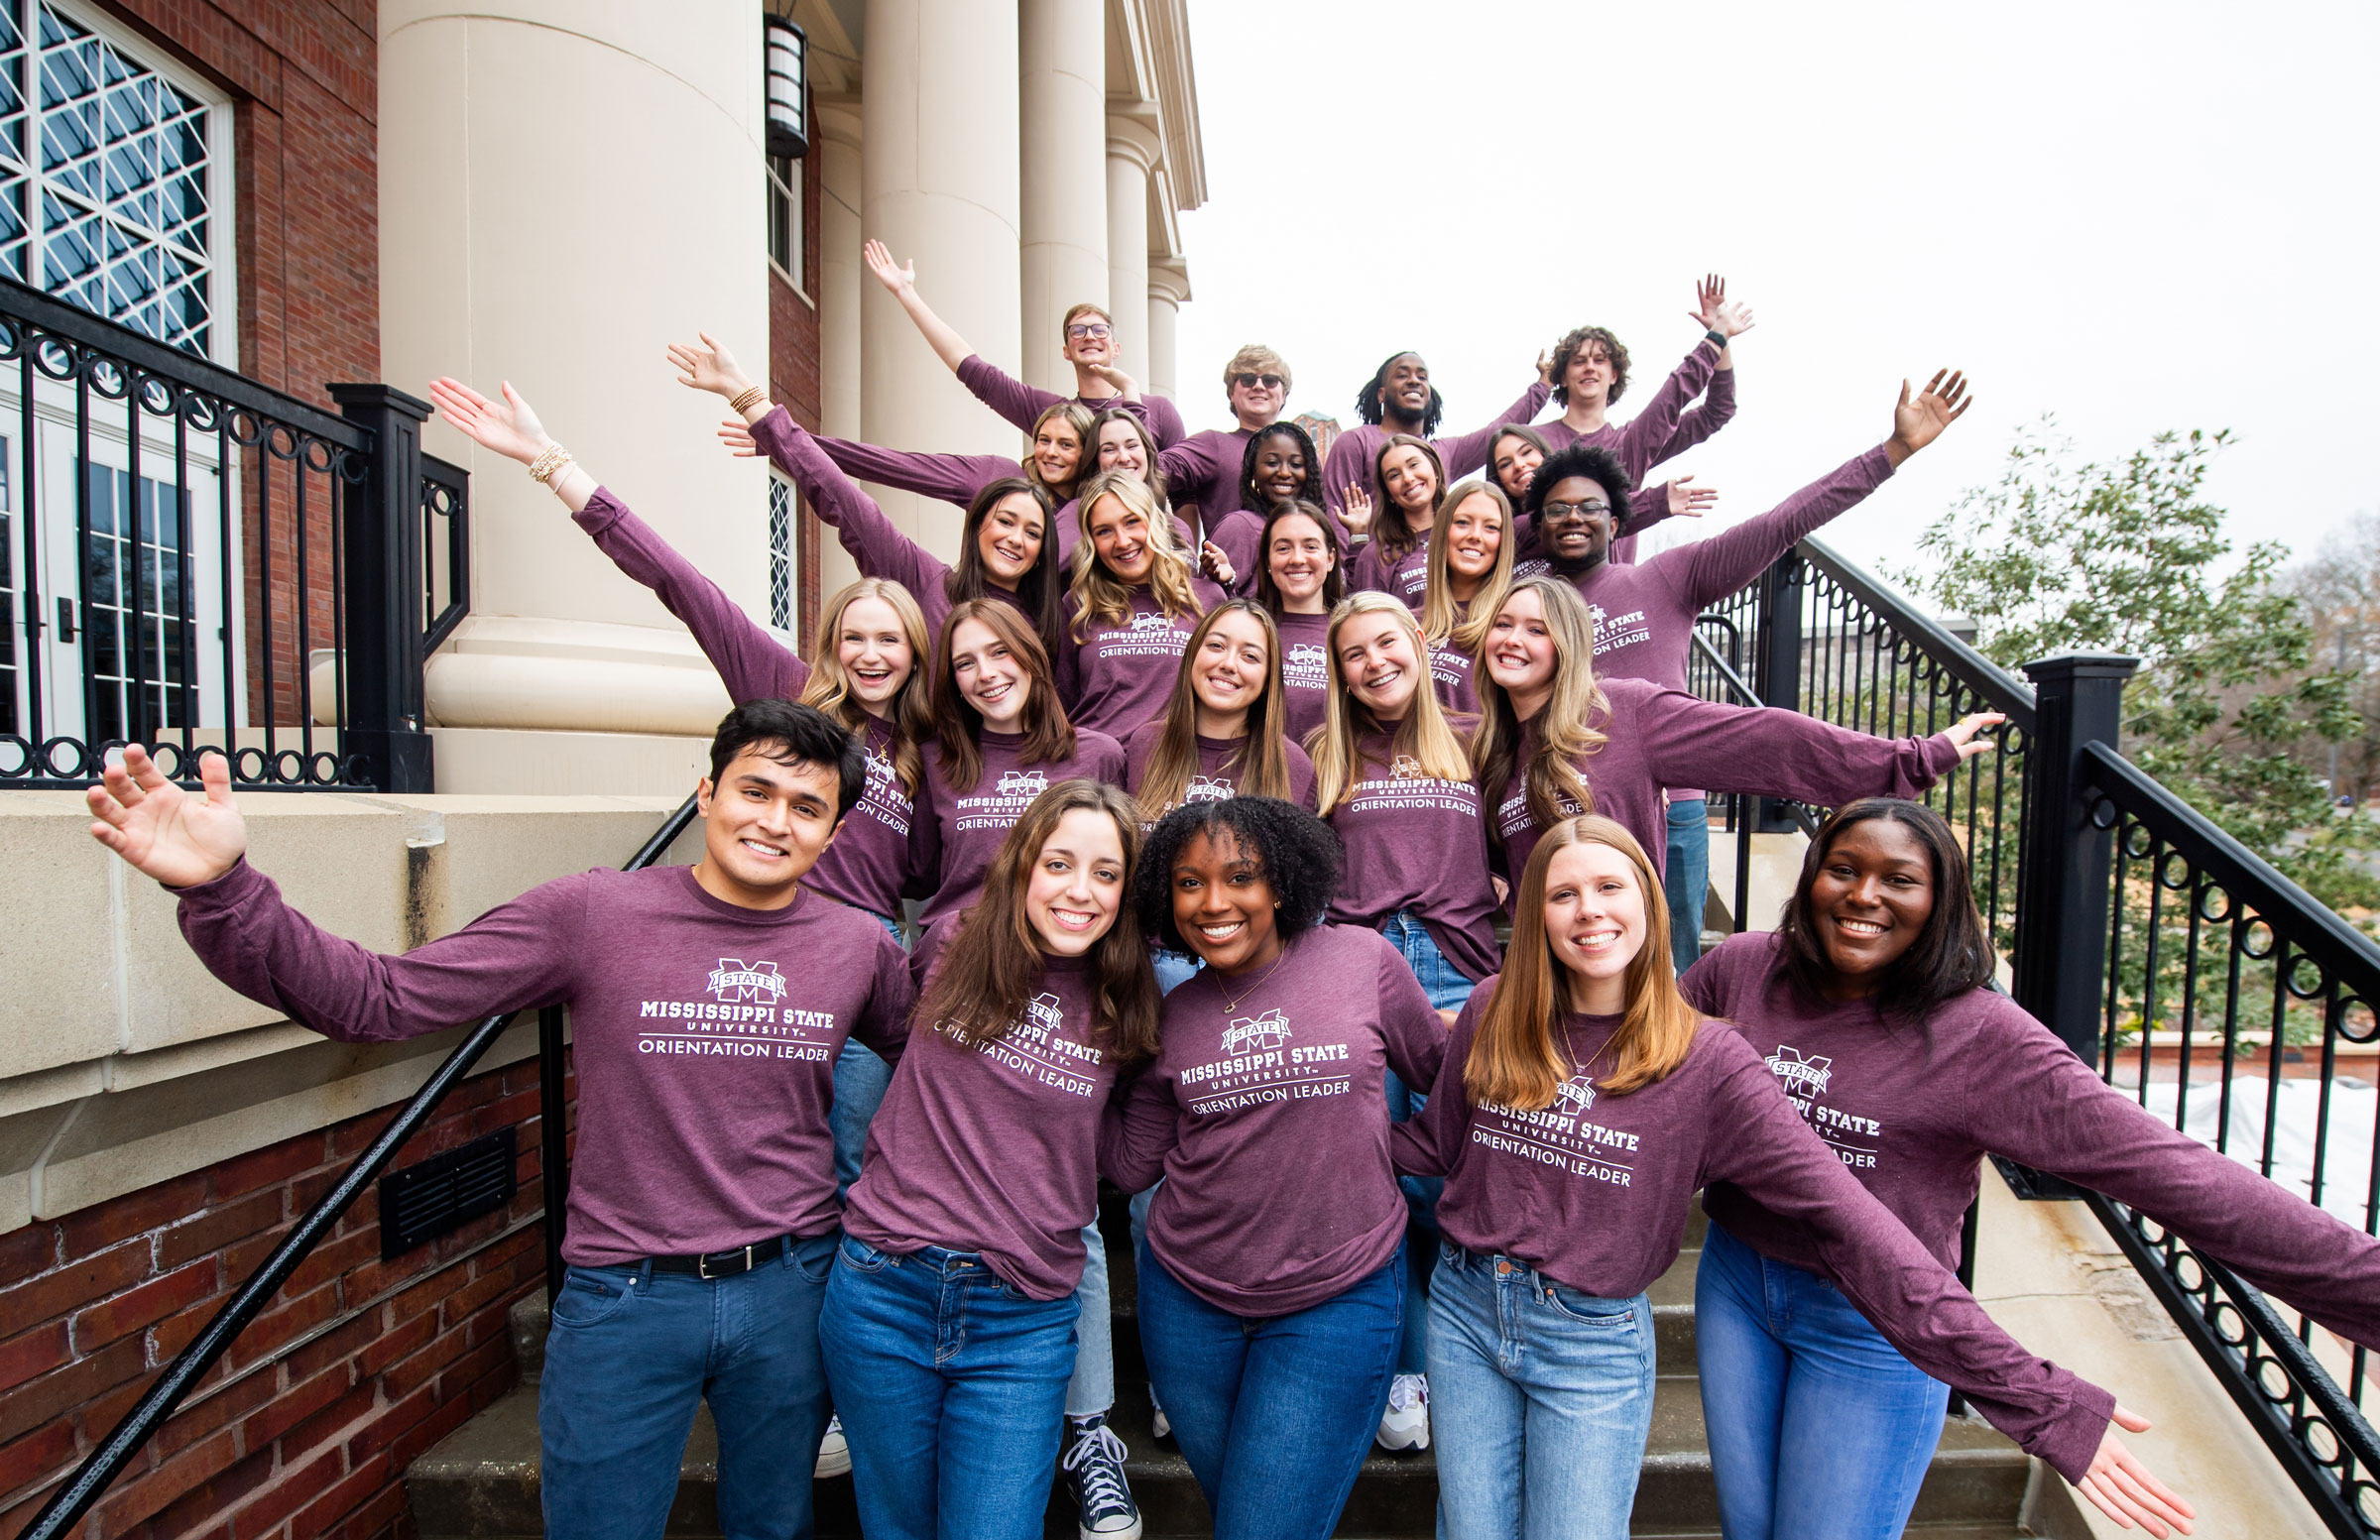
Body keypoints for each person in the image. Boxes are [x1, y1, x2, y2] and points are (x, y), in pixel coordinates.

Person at [85, 704, 914, 1540]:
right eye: (755, 791)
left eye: (806, 806)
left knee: (775, 1524)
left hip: (791, 1289)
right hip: (626, 1295)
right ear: (706, 793)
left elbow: (942, 1071)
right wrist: (224, 889)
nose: (774, 821)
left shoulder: (858, 946)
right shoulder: (596, 913)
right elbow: (381, 997)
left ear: (835, 832)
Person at [1392, 814, 2195, 1540]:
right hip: (1468, 1310)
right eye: (1562, 893)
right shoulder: (1496, 1010)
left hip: (1596, 1334)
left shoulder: (1708, 1058)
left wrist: (2042, 1401)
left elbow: (1854, 1218)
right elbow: (1434, 1144)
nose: (1588, 910)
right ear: (1533, 913)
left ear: (1650, 900)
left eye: (1610, 886)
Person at [1685, 797, 2380, 1540]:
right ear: (1812, 876)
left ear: (1942, 901)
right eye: (1843, 869)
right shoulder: (1743, 968)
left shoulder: (1982, 1037)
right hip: (1737, 1284)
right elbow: (1642, 1078)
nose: (1864, 895)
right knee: (1747, 1529)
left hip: (1880, 1322)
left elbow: (2177, 1173)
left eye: (1900, 879)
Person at [1519, 366, 1970, 970]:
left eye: (1589, 507)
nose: (1573, 517)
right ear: (1538, 525)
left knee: (1672, 972)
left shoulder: (1666, 577)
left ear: (1617, 521)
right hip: (1556, 808)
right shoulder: (1522, 613)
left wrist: (1890, 453)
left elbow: (1781, 523)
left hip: (1670, 805)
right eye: (1556, 509)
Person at [824, 779, 1163, 1540]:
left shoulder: (1128, 1003)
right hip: (886, 1288)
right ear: (1022, 865)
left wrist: (1172, 1076)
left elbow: (1128, 1162)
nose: (1079, 890)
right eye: (1058, 863)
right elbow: (889, 1034)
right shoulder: (952, 941)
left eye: (1106, 873)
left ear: (1127, 892)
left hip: (1023, 1314)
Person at [1101, 797, 1446, 1537]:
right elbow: (1130, 1164)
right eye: (1189, 883)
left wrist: (1397, 1152)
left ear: (1283, 884)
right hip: (1187, 1304)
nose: (1213, 902)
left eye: (1240, 877)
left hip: (1337, 1297)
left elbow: (1444, 1076)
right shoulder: (1174, 1010)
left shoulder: (1362, 960)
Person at [1469, 576, 2000, 892]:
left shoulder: (1623, 712)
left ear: (1567, 645)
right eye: (1503, 624)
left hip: (1625, 965)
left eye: (1536, 629)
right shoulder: (1496, 751)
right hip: (1540, 974)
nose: (1513, 639)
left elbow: (1766, 738)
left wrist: (1914, 759)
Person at [1309, 591, 1494, 1449]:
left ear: (1418, 641)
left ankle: (1466, 1356)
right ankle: (1406, 1367)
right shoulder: (1322, 754)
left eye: (1386, 642)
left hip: (1460, 970)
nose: (1375, 661)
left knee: (1451, 1176)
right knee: (1382, 1174)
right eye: (1355, 653)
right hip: (1364, 972)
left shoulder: (1477, 738)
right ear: (1339, 672)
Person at [678, 335, 1069, 651]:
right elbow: (844, 501)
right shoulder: (927, 583)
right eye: (1005, 521)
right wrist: (745, 395)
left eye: (1032, 532)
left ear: (1043, 550)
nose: (1015, 538)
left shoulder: (1050, 624)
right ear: (977, 525)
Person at [864, 237, 1186, 447]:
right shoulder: (1052, 413)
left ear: (1116, 348)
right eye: (1077, 330)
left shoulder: (1159, 410)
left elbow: (1185, 495)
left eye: (1100, 330)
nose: (1089, 335)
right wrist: (906, 293)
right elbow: (975, 372)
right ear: (1066, 351)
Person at [1530, 276, 1750, 563]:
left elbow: (1717, 410)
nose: (1589, 368)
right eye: (1579, 361)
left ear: (1614, 375)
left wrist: (1720, 337)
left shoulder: (1633, 444)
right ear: (1562, 375)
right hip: (1547, 583)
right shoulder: (1532, 444)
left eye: (1599, 360)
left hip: (1612, 581)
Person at [1057, 470, 1230, 741]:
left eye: (1132, 522)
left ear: (1155, 522)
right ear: (1091, 542)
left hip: (1172, 759)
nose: (1123, 541)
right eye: (1104, 531)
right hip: (1096, 760)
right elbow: (1061, 700)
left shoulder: (1205, 598)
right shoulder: (1078, 603)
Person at [1320, 349, 1549, 520]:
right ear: (1381, 394)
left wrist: (1544, 384)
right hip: (1372, 566)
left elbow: (1498, 430)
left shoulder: (1444, 452)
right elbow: (1335, 512)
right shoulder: (1355, 441)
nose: (1414, 381)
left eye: (1422, 377)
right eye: (1402, 375)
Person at [1416, 481, 1517, 717]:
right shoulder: (1409, 623)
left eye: (1491, 527)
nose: (1475, 536)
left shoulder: (1510, 625)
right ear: (1443, 530)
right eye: (1462, 522)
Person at [1158, 344, 1294, 521]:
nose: (1259, 386)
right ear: (1231, 393)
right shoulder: (1212, 444)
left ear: (1284, 395)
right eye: (1247, 379)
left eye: (1270, 380)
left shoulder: (1303, 453)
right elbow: (1148, 469)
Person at [1250, 500, 1346, 744]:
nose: (1297, 559)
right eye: (1283, 548)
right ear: (1267, 561)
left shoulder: (1350, 631)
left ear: (1330, 558)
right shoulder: (1250, 630)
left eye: (1310, 547)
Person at [1203, 419, 1326, 594]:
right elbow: (1208, 599)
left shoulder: (1315, 528)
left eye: (1296, 465)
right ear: (1253, 472)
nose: (1284, 473)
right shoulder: (1240, 527)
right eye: (1272, 463)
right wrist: (1228, 582)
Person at [1340, 434, 1448, 606]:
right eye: (1394, 475)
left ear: (1435, 469)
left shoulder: (1464, 535)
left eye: (1413, 465)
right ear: (1388, 493)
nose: (1408, 478)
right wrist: (1358, 537)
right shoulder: (1377, 556)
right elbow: (1365, 616)